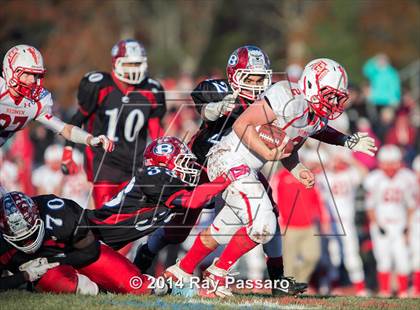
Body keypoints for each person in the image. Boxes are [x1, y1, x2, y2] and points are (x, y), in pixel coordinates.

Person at [165, 58, 377, 297]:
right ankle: (216, 275)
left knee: (227, 226)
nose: (334, 103)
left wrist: (301, 167)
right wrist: (268, 153)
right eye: (330, 95)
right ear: (311, 85)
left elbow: (296, 142)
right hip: (227, 160)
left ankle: (180, 270)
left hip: (245, 167)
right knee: (264, 225)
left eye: (337, 97)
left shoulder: (312, 113)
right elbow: (242, 125)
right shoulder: (286, 96)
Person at [136, 46, 307, 296]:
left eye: (262, 78)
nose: (258, 84)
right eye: (251, 78)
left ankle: (278, 279)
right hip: (204, 165)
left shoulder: (271, 100)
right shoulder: (223, 92)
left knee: (269, 212)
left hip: (241, 167)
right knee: (178, 229)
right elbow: (204, 108)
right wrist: (221, 106)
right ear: (235, 76)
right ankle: (144, 257)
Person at [87, 136, 245, 251]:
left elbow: (179, 231)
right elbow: (193, 201)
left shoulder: (163, 180)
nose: (188, 168)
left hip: (104, 242)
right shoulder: (154, 176)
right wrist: (226, 178)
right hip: (91, 233)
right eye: (182, 163)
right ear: (162, 164)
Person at [61, 39, 166, 208]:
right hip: (103, 161)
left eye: (137, 64)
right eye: (129, 64)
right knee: (106, 212)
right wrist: (68, 151)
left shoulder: (151, 89)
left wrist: (163, 157)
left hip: (135, 162)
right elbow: (77, 119)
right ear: (116, 63)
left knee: (129, 214)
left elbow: (156, 131)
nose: (134, 69)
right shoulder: (99, 85)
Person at [0, 191, 160, 295]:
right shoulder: (2, 245)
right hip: (45, 272)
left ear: (39, 218)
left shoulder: (58, 213)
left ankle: (173, 282)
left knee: (138, 286)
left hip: (75, 252)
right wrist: (26, 276)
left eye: (30, 235)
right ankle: (98, 291)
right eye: (20, 240)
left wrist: (54, 261)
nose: (27, 243)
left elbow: (90, 251)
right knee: (64, 285)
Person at [0, 44, 113, 152]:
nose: (32, 80)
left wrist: (90, 139)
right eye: (27, 74)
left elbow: (65, 129)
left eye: (35, 75)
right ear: (10, 71)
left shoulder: (38, 101)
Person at [363, 145, 417, 297]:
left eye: (393, 163)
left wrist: (407, 226)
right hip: (382, 224)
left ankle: (403, 291)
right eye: (387, 163)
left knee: (403, 260)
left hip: (399, 224)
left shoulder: (406, 178)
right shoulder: (375, 179)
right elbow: (370, 207)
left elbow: (411, 205)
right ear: (381, 163)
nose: (390, 167)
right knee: (383, 259)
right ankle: (385, 291)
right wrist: (377, 224)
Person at [319, 149, 368, 295]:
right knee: (332, 255)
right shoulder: (324, 175)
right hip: (330, 222)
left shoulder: (349, 174)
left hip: (346, 222)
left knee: (351, 254)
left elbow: (364, 173)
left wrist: (349, 160)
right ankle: (333, 286)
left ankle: (360, 288)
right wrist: (328, 163)